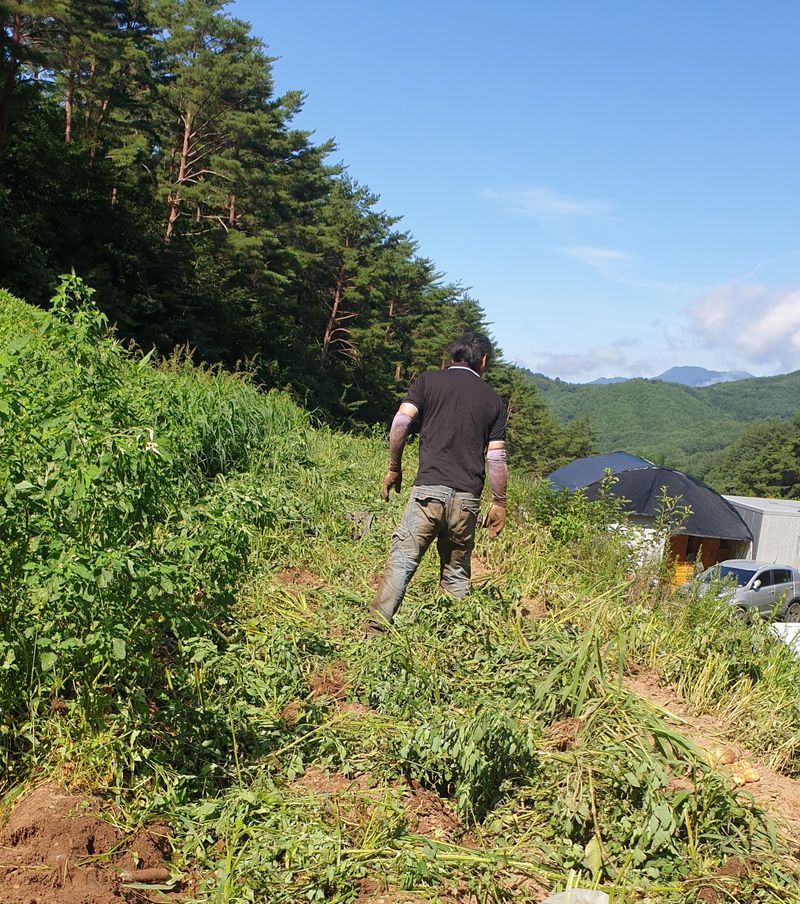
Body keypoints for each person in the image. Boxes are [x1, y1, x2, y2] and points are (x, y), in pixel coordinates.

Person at [366, 332, 508, 634]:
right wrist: (499, 502)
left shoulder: (428, 381)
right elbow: (496, 458)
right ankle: (449, 641)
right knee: (456, 574)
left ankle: (375, 633)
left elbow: (401, 423)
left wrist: (394, 467)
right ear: (483, 361)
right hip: (467, 500)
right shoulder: (493, 401)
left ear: (453, 355)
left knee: (403, 561)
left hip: (427, 493)